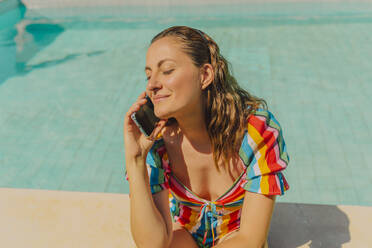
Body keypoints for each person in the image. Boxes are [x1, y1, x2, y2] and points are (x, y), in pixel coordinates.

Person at [123, 25, 290, 248]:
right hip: (185, 234)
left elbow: (251, 239)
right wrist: (135, 160)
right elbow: (153, 244)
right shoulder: (158, 143)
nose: (152, 84)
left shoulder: (255, 133)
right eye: (148, 75)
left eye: (167, 70)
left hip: (237, 236)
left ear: (205, 75)